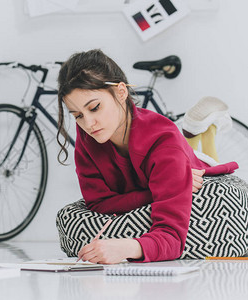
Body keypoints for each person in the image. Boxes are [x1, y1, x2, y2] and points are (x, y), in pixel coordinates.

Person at [55, 49, 244, 264]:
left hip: (193, 169)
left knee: (198, 169)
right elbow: (98, 204)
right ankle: (196, 136)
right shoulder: (88, 137)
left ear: (121, 92)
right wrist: (154, 193)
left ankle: (205, 132)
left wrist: (129, 247)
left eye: (95, 108)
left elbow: (172, 237)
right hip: (162, 175)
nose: (88, 124)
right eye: (78, 116)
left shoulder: (164, 142)